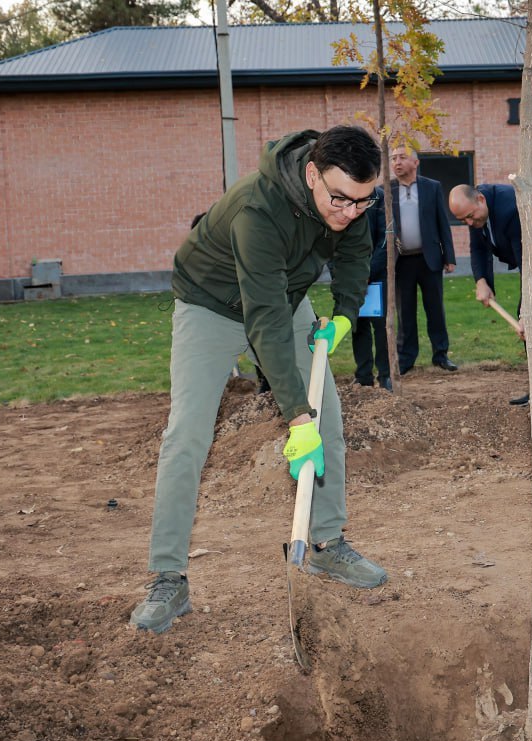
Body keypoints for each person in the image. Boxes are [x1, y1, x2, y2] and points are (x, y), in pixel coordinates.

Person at [131, 126, 390, 635]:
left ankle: (327, 544)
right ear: (312, 174)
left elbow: (355, 254)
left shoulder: (352, 203)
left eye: (362, 201)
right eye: (340, 199)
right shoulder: (258, 209)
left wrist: (344, 314)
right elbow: (264, 322)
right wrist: (296, 419)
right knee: (187, 435)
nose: (349, 212)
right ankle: (168, 577)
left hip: (284, 297)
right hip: (211, 304)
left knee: (328, 419)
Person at [448, 183, 532, 405]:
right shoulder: (475, 209)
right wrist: (481, 281)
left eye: (470, 217)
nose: (469, 223)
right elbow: (478, 247)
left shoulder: (512, 210)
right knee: (531, 319)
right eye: (464, 220)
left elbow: (528, 264)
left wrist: (526, 313)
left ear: (481, 200)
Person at [378, 146, 459, 375]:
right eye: (393, 158)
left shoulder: (431, 187)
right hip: (401, 262)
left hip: (429, 259)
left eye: (402, 157)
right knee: (405, 312)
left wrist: (449, 256)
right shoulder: (385, 190)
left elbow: (442, 222)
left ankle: (441, 354)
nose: (397, 162)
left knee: (435, 309)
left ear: (415, 162)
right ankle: (406, 358)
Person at [352, 200, 393, 391]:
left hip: (377, 276)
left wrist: (368, 271)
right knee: (357, 327)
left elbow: (385, 240)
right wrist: (347, 274)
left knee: (382, 327)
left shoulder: (379, 199)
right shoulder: (342, 200)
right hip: (350, 278)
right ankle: (363, 375)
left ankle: (385, 374)